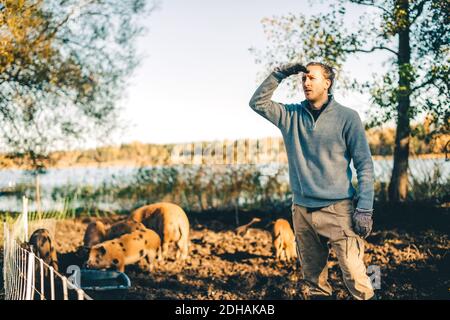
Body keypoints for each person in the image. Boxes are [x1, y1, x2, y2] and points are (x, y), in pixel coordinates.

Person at [249, 62, 375, 300]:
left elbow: (364, 165)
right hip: (302, 212)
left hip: (339, 212)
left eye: (312, 78)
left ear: (327, 83)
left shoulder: (348, 117)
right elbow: (258, 103)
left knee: (357, 279)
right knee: (315, 283)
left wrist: (365, 208)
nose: (306, 83)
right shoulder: (290, 116)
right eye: (303, 78)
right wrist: (280, 74)